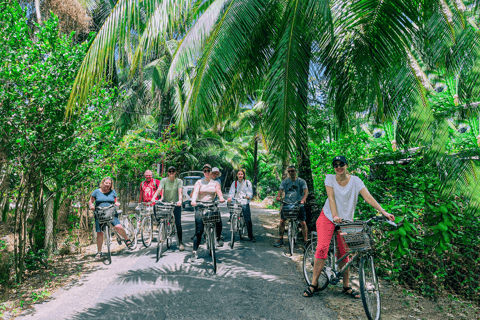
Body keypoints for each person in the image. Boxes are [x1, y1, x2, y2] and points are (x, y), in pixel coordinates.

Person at [303, 155, 395, 298]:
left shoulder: (356, 181)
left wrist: (383, 211)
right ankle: (314, 283)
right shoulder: (330, 178)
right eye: (336, 165)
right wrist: (334, 216)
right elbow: (331, 198)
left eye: (341, 164)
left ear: (347, 165)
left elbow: (368, 196)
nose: (338, 167)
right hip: (328, 217)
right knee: (322, 248)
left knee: (344, 253)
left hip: (345, 221)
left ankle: (346, 286)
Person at [89, 177, 133, 259]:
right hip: (99, 213)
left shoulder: (113, 192)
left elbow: (115, 200)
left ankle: (126, 239)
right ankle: (99, 252)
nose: (108, 185)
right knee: (99, 233)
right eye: (106, 183)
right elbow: (90, 201)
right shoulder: (96, 192)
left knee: (118, 227)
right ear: (103, 183)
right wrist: (91, 206)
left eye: (109, 184)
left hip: (111, 212)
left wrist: (117, 203)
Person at [190, 164, 225, 260]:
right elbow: (196, 192)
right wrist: (193, 201)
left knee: (218, 220)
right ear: (203, 172)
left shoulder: (215, 183)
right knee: (199, 230)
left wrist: (221, 198)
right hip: (200, 206)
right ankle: (194, 252)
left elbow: (218, 191)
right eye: (205, 171)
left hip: (211, 205)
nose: (207, 173)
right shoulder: (199, 182)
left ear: (211, 172)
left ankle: (217, 238)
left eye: (208, 171)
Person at [151, 166, 185, 251]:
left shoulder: (179, 181)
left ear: (175, 172)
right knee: (156, 207)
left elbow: (180, 193)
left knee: (178, 223)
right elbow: (158, 190)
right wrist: (154, 198)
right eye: (170, 171)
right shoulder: (164, 181)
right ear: (168, 173)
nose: (171, 173)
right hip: (165, 202)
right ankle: (159, 224)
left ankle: (180, 242)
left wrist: (180, 201)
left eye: (173, 171)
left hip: (175, 203)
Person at [274, 165, 308, 247]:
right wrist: (278, 196)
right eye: (289, 171)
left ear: (295, 171)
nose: (291, 173)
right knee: (282, 221)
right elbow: (280, 190)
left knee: (303, 223)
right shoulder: (285, 181)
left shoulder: (301, 181)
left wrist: (303, 199)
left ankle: (306, 242)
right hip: (287, 204)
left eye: (292, 171)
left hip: (298, 204)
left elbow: (306, 191)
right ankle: (280, 239)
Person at [227, 169, 255, 242]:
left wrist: (248, 196)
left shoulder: (247, 183)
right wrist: (230, 197)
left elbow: (250, 192)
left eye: (241, 174)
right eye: (239, 174)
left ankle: (250, 235)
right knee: (230, 205)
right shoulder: (234, 183)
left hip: (244, 201)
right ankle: (231, 217)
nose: (240, 175)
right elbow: (231, 192)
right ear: (237, 175)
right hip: (236, 200)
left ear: (243, 175)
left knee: (248, 219)